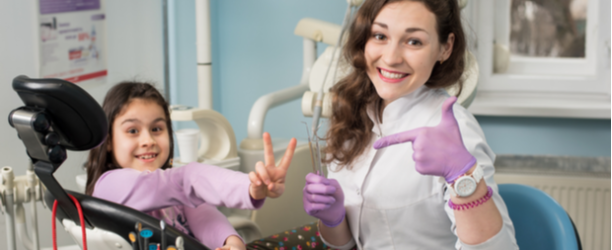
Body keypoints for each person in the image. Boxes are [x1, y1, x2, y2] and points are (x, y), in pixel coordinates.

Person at [301, 0, 519, 249]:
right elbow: (348, 245)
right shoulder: (353, 116)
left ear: (445, 48)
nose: (391, 58)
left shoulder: (455, 132)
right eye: (380, 36)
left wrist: (463, 175)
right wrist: (333, 220)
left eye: (414, 41)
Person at [85, 81, 297, 250]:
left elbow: (205, 216)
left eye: (157, 129)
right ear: (109, 141)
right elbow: (186, 180)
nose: (148, 140)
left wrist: (232, 243)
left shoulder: (173, 193)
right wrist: (247, 186)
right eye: (133, 131)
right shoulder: (109, 186)